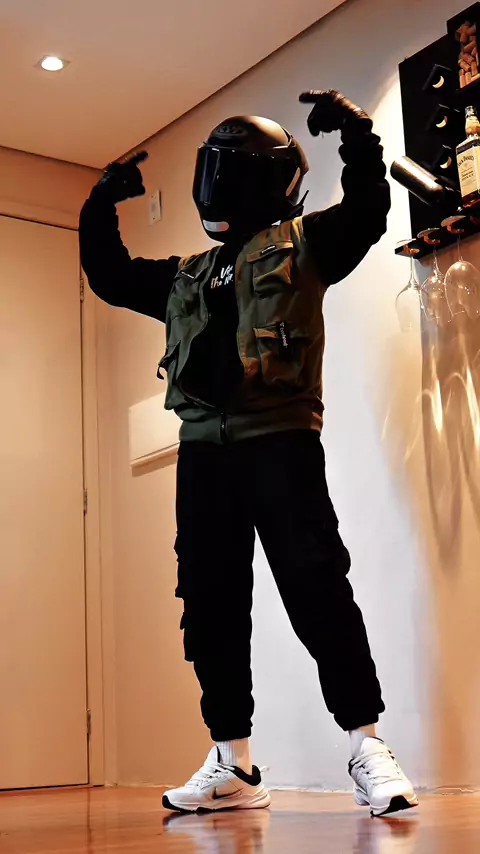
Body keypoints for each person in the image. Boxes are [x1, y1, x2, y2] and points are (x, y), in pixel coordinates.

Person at [79, 90, 418, 817]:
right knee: (210, 605)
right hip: (204, 456)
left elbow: (368, 210)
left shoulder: (306, 245)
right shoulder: (187, 275)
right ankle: (233, 764)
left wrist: (359, 135)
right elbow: (109, 274)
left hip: (281, 444)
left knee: (317, 587)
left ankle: (367, 745)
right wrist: (99, 203)